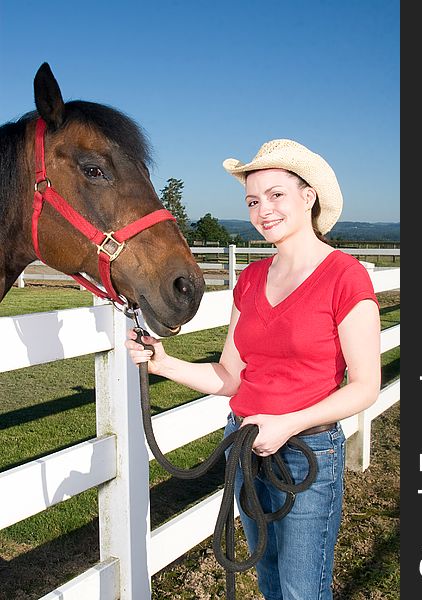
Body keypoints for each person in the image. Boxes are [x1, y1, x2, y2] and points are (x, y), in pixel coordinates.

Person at [125, 139, 381, 600]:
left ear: (309, 197)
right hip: (244, 446)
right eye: (253, 201)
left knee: (303, 590)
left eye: (276, 195)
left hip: (308, 451)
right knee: (267, 580)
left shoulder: (345, 277)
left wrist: (287, 424)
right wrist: (164, 361)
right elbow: (230, 375)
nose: (263, 210)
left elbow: (365, 386)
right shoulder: (250, 279)